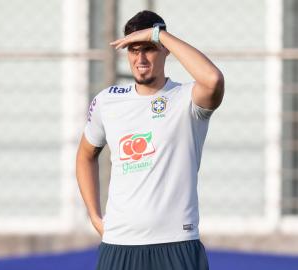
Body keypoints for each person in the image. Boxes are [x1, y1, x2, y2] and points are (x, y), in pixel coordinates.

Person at [76, 10, 224, 270]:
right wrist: (95, 217)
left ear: (165, 50)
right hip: (119, 246)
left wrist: (160, 35)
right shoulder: (107, 101)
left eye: (149, 49)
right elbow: (85, 155)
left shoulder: (186, 98)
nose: (140, 58)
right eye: (133, 49)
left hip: (176, 244)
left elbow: (213, 80)